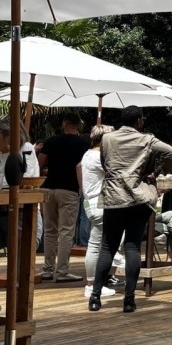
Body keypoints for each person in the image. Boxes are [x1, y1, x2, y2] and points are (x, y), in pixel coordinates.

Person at [88, 106, 172, 313]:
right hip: (138, 197)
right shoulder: (147, 139)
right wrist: (157, 172)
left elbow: (104, 162)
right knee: (132, 247)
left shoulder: (107, 139)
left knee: (107, 247)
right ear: (139, 121)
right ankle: (129, 300)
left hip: (113, 196)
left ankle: (95, 297)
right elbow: (171, 152)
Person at [37, 113, 90, 283]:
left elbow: (39, 163)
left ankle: (47, 269)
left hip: (49, 189)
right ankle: (62, 271)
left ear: (65, 123)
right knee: (66, 231)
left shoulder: (52, 141)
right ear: (77, 125)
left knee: (50, 230)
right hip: (69, 190)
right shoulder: (84, 144)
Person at [78, 125, 118, 300]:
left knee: (94, 245)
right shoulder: (99, 157)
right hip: (101, 204)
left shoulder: (87, 155)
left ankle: (93, 283)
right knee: (110, 242)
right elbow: (116, 173)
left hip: (90, 202)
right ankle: (95, 284)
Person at [0, 118, 41, 254]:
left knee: (23, 249)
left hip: (22, 209)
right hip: (4, 209)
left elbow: (26, 178)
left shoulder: (26, 148)